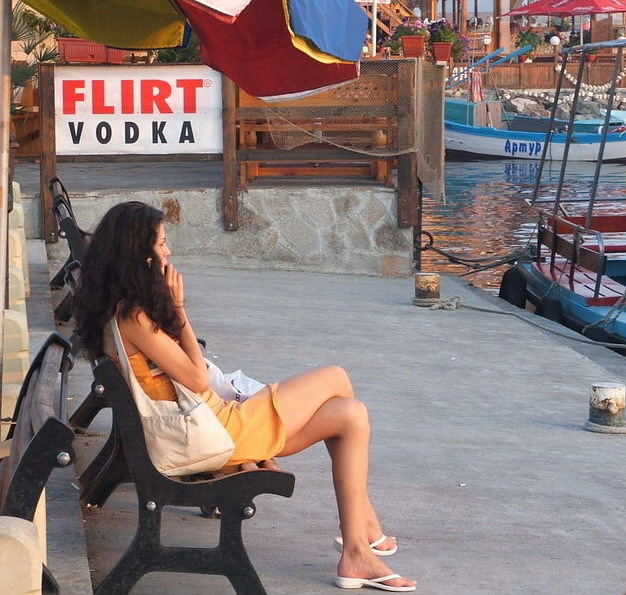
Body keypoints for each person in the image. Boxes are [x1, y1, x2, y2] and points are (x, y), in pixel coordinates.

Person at [73, 201, 417, 592]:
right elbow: (197, 379)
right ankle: (362, 532)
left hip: (214, 425)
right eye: (162, 243)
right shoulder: (133, 316)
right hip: (219, 433)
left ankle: (358, 546)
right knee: (336, 377)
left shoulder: (118, 310)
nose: (168, 251)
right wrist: (179, 310)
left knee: (350, 414)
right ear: (140, 253)